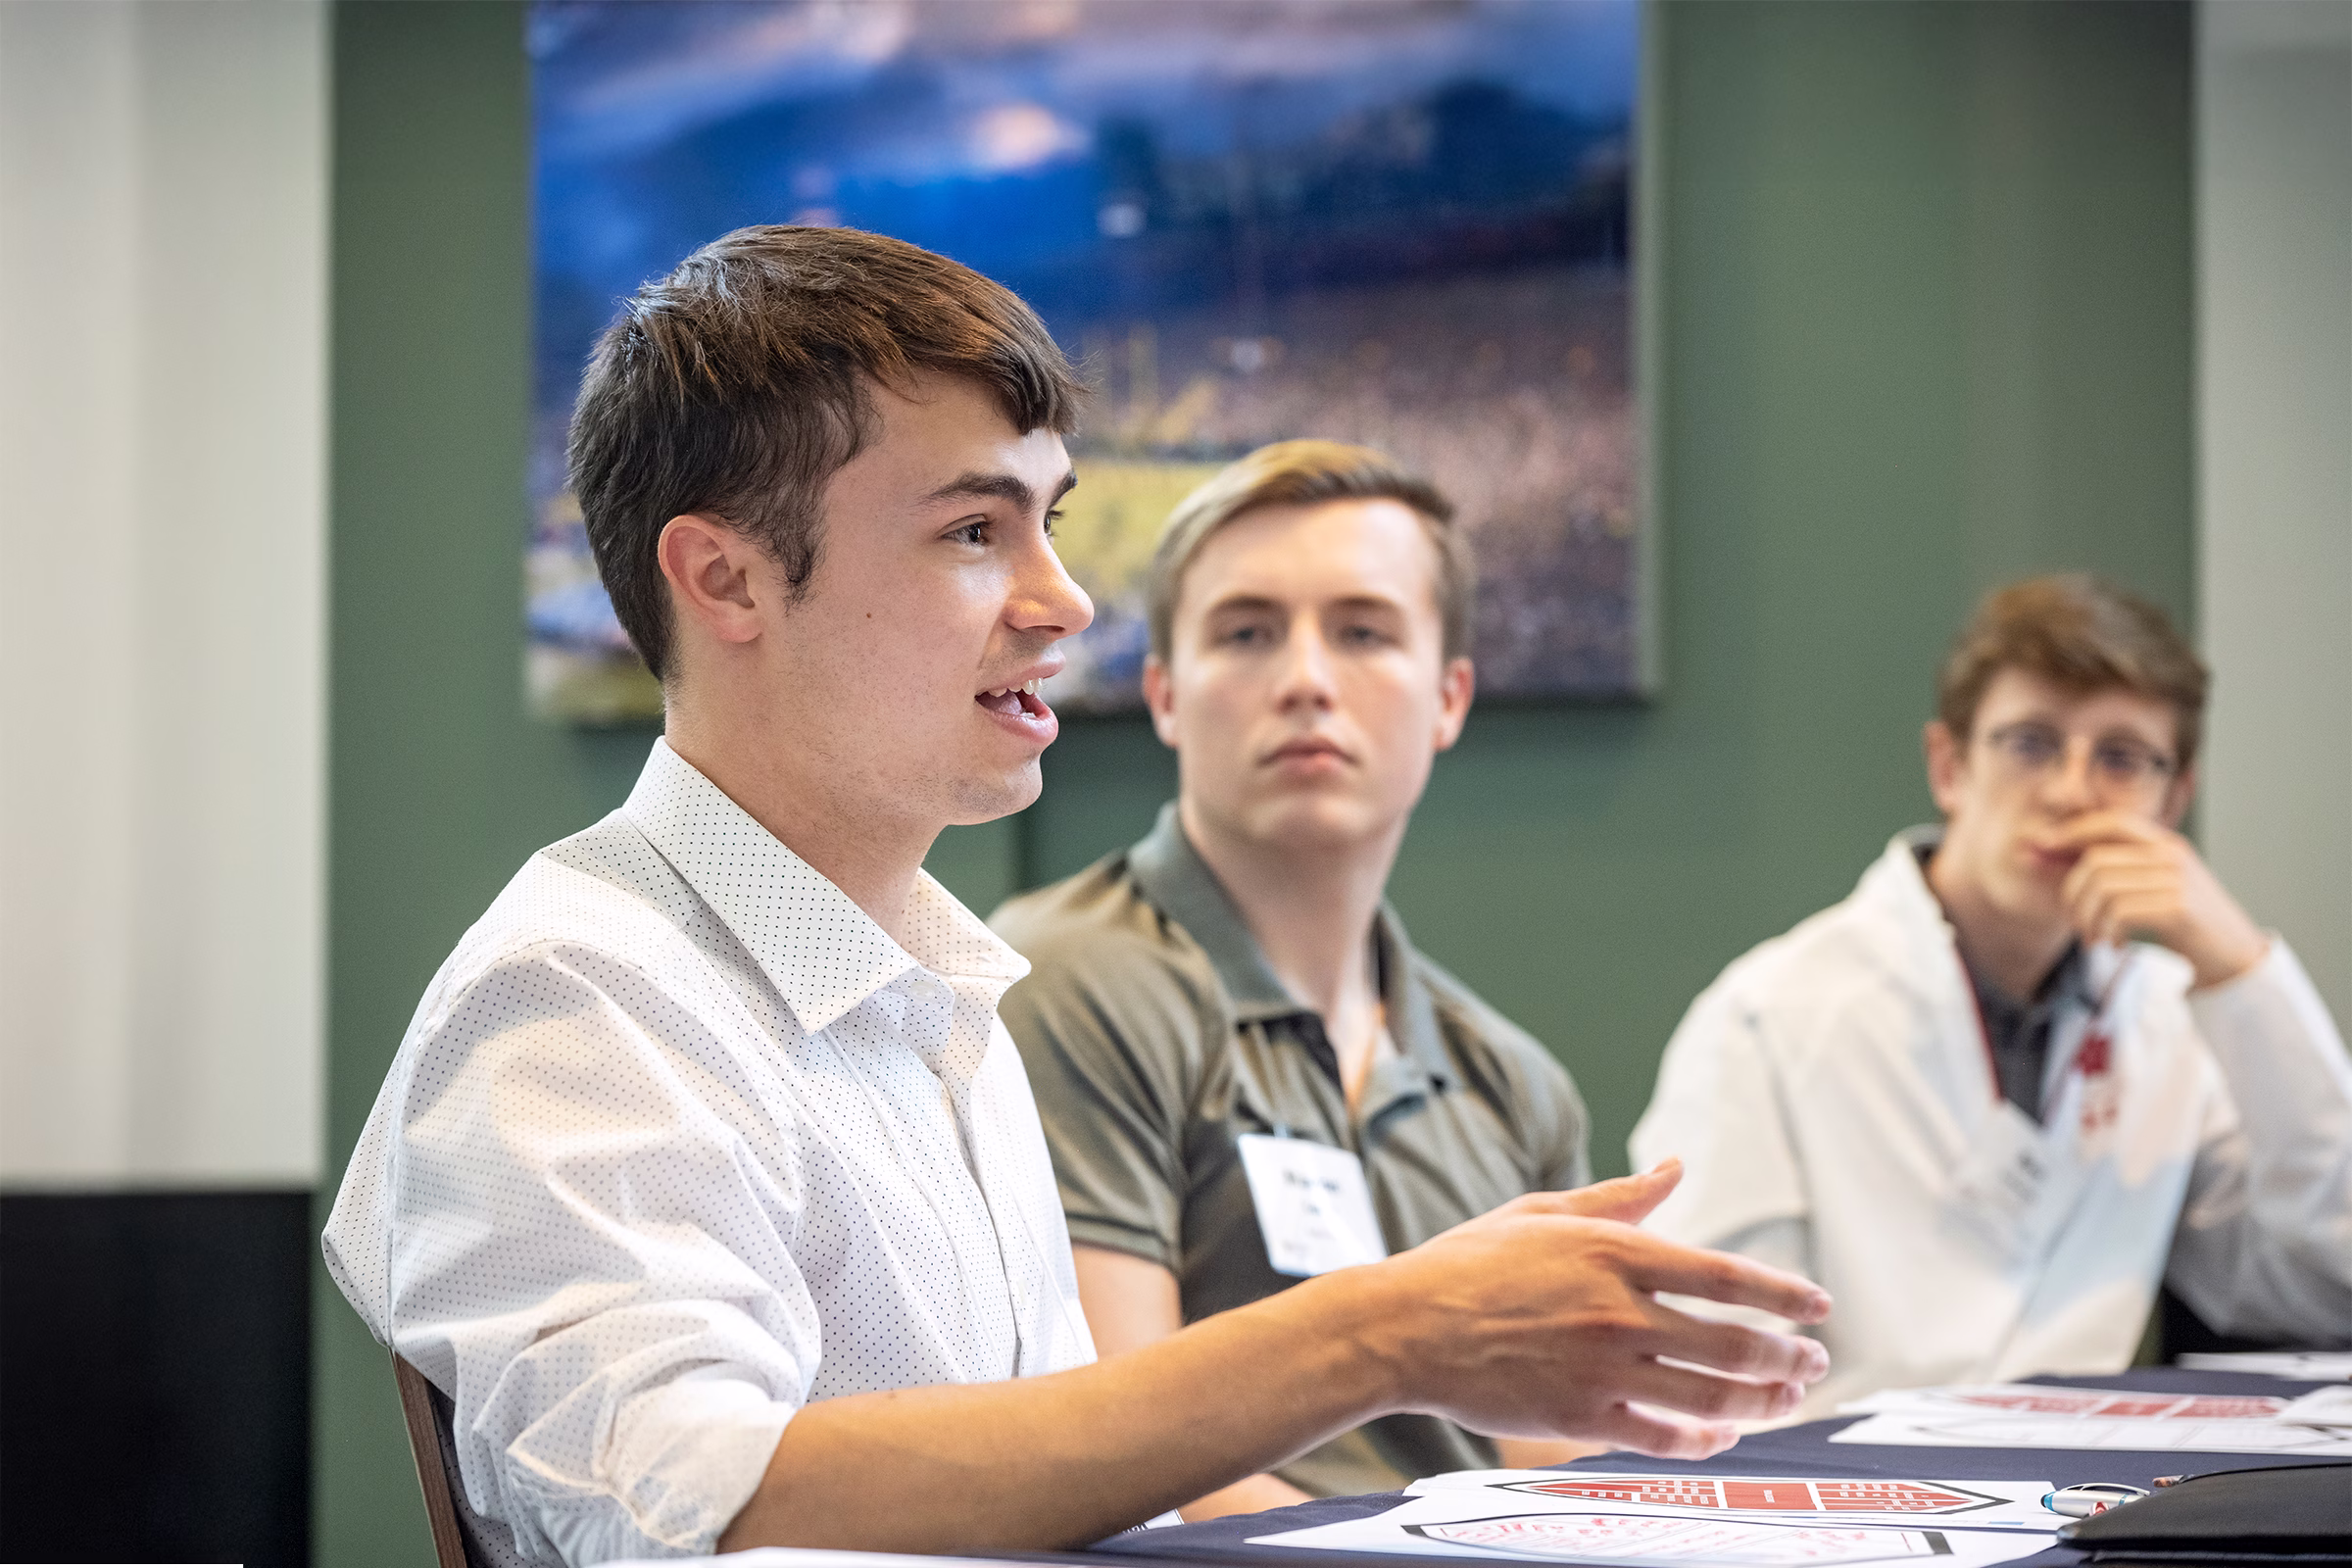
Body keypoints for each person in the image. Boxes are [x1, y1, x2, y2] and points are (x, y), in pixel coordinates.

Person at [323, 226, 1833, 1568]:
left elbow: (1073, 1499)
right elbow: (695, 1510)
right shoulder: (580, 995)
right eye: (977, 532)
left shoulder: (935, 995)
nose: (1067, 600)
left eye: (1049, 520)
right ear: (723, 583)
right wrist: (1384, 1333)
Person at [991, 440, 1597, 1518]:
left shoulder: (1515, 1080)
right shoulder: (1074, 984)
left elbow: (1555, 1460)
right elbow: (1115, 1453)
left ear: (1451, 696)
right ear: (1166, 695)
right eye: (1247, 632)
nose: (1307, 680)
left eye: (1363, 631)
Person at [1632, 574, 2352, 1421]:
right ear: (1950, 767)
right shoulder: (1772, 1014)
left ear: (2175, 799)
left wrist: (2240, 966)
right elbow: (1704, 1365)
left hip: (2088, 1508)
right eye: (2032, 743)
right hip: (1844, 1514)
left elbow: (2325, 1288)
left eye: (2122, 757)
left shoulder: (2173, 1021)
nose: (2071, 791)